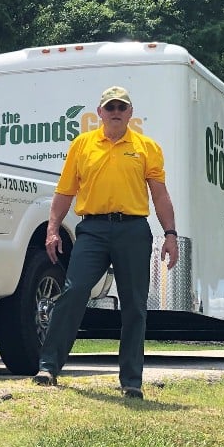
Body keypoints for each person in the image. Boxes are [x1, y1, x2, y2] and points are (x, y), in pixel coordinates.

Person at [33, 86, 178, 399]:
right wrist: (52, 229)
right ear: (99, 112)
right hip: (93, 230)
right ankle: (48, 367)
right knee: (73, 292)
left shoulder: (146, 147)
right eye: (109, 107)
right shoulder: (83, 145)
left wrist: (170, 234)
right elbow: (65, 192)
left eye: (121, 107)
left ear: (129, 113)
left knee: (135, 306)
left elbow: (160, 194)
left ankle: (131, 382)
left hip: (133, 230)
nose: (115, 112)